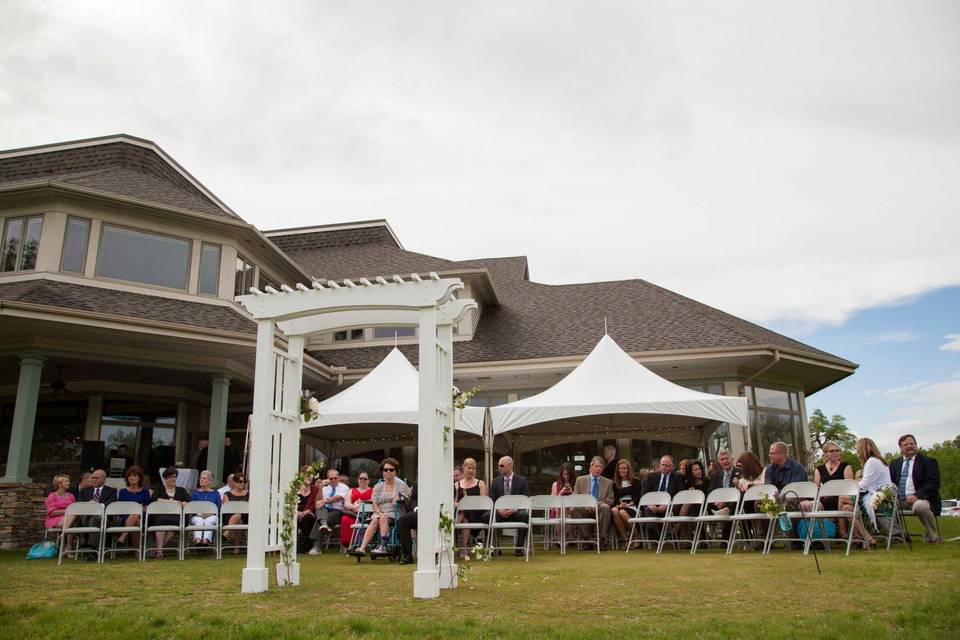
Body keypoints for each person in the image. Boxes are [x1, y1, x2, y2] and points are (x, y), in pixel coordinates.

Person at [889, 434, 941, 543]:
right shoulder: (895, 463)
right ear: (901, 448)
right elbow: (890, 482)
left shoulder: (928, 461)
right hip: (900, 499)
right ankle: (899, 535)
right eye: (906, 444)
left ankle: (933, 537)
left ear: (916, 445)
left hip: (922, 498)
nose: (909, 446)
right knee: (879, 506)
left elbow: (934, 483)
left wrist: (917, 495)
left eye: (912, 444)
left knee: (920, 507)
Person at [355, 458, 411, 556]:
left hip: (395, 512)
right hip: (379, 512)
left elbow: (408, 499)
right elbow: (374, 502)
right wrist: (379, 512)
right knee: (379, 518)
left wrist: (401, 498)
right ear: (382, 472)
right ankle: (363, 548)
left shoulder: (402, 485)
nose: (388, 472)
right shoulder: (378, 486)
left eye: (391, 469)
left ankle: (381, 546)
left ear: (395, 471)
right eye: (385, 470)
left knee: (382, 518)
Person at [847, 437, 890, 548]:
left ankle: (853, 535)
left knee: (843, 502)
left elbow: (865, 484)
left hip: (878, 498)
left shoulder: (872, 462)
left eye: (857, 449)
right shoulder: (879, 461)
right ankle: (865, 537)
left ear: (862, 449)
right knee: (846, 508)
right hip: (881, 495)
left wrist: (851, 486)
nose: (856, 453)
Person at [489, 456, 530, 556]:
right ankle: (495, 548)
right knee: (487, 516)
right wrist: (499, 510)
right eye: (498, 466)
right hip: (500, 513)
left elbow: (525, 499)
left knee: (525, 515)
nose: (499, 467)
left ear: (510, 465)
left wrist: (514, 509)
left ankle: (519, 548)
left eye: (501, 465)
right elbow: (492, 500)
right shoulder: (495, 482)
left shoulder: (522, 480)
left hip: (516, 512)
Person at [812, 441, 853, 537]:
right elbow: (816, 488)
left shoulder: (846, 466)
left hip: (842, 499)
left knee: (841, 499)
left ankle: (842, 532)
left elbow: (850, 487)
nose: (835, 453)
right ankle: (821, 533)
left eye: (837, 450)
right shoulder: (819, 469)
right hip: (825, 500)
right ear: (825, 454)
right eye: (832, 451)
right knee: (813, 504)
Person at [572, 456, 614, 549]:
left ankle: (603, 539)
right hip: (584, 507)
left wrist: (596, 505)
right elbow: (575, 497)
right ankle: (587, 539)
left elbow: (610, 499)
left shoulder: (608, 482)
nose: (598, 469)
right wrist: (585, 504)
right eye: (596, 466)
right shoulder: (580, 480)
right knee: (574, 509)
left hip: (599, 507)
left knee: (606, 507)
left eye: (600, 467)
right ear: (591, 467)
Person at [149, 466, 191, 558]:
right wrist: (174, 502)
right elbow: (154, 501)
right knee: (160, 521)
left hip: (176, 517)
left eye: (174, 477)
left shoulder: (181, 490)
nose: (173, 479)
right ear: (165, 479)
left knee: (177, 522)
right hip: (161, 516)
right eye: (170, 477)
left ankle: (158, 549)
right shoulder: (159, 489)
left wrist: (184, 503)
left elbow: (188, 502)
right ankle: (160, 551)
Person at [453, 457, 488, 558]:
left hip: (476, 513)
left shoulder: (480, 483)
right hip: (463, 515)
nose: (472, 470)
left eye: (474, 468)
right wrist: (461, 504)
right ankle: (463, 549)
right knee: (464, 517)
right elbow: (454, 502)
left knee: (464, 512)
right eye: (469, 468)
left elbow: (483, 502)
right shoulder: (457, 485)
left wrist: (466, 503)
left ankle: (454, 525)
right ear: (464, 468)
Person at [77, 468, 117, 552]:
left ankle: (92, 549)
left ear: (103, 479)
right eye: (92, 478)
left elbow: (110, 503)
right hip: (85, 519)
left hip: (103, 518)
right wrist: (89, 505)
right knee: (95, 518)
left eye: (96, 478)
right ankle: (94, 549)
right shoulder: (84, 491)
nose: (93, 480)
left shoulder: (111, 491)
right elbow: (80, 505)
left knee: (94, 519)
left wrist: (97, 506)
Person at [311, 468, 349, 552]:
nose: (333, 480)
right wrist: (321, 487)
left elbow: (337, 498)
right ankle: (324, 524)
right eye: (331, 478)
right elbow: (317, 502)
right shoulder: (325, 488)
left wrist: (324, 501)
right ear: (328, 479)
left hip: (337, 511)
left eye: (335, 478)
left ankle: (317, 546)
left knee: (319, 519)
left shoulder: (344, 487)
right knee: (320, 509)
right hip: (324, 510)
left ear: (338, 478)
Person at [116, 466, 151, 547]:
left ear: (139, 478)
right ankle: (137, 551)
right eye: (130, 476)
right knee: (136, 519)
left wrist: (140, 509)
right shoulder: (123, 492)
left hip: (142, 516)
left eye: (134, 476)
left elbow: (147, 507)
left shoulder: (145, 491)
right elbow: (120, 507)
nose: (131, 478)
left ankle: (123, 537)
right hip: (125, 516)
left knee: (136, 514)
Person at [610, 459, 641, 548]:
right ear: (617, 470)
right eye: (620, 468)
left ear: (628, 469)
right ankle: (625, 539)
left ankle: (637, 537)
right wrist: (619, 505)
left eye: (624, 468)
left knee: (622, 512)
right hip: (620, 505)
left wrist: (629, 504)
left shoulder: (635, 481)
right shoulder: (614, 483)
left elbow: (638, 496)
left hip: (633, 506)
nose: (622, 470)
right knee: (614, 510)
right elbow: (614, 498)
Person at [341, 471, 374, 549]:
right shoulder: (351, 490)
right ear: (358, 480)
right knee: (345, 519)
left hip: (367, 515)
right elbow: (346, 503)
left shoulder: (373, 491)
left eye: (365, 479)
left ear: (368, 481)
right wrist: (354, 507)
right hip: (353, 514)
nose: (362, 480)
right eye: (360, 478)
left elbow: (374, 501)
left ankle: (362, 544)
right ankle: (347, 545)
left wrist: (362, 506)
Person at [190, 470, 222, 546]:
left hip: (212, 515)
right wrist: (199, 514)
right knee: (199, 521)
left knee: (209, 520)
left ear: (210, 481)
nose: (201, 480)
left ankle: (205, 541)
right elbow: (191, 507)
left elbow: (218, 507)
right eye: (200, 478)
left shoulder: (215, 493)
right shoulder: (195, 493)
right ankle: (198, 541)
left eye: (204, 478)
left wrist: (210, 513)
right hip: (197, 516)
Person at [221, 473, 249, 549]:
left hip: (246, 517)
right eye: (240, 481)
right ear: (234, 482)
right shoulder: (227, 494)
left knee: (239, 516)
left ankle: (228, 532)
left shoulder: (248, 494)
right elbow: (226, 509)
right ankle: (236, 548)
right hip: (230, 517)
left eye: (244, 482)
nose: (242, 483)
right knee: (238, 518)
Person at [397, 484, 418, 564]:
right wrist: (416, 508)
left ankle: (436, 554)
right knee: (403, 520)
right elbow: (413, 499)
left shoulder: (442, 480)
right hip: (418, 513)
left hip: (434, 513)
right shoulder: (418, 482)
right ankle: (407, 554)